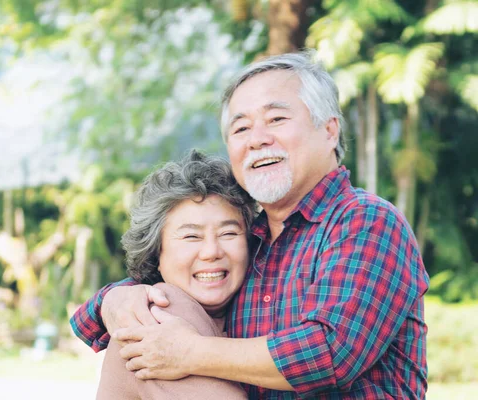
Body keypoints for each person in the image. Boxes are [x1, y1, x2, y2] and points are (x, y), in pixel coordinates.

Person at [71, 51, 430, 399]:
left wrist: (191, 352)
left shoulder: (364, 221)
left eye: (276, 120)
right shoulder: (249, 240)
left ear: (330, 131)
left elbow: (329, 352)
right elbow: (167, 280)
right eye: (241, 127)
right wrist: (113, 299)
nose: (257, 139)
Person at [87, 150, 255, 399]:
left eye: (228, 233)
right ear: (156, 252)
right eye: (191, 236)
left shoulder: (257, 310)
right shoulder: (157, 312)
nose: (211, 252)